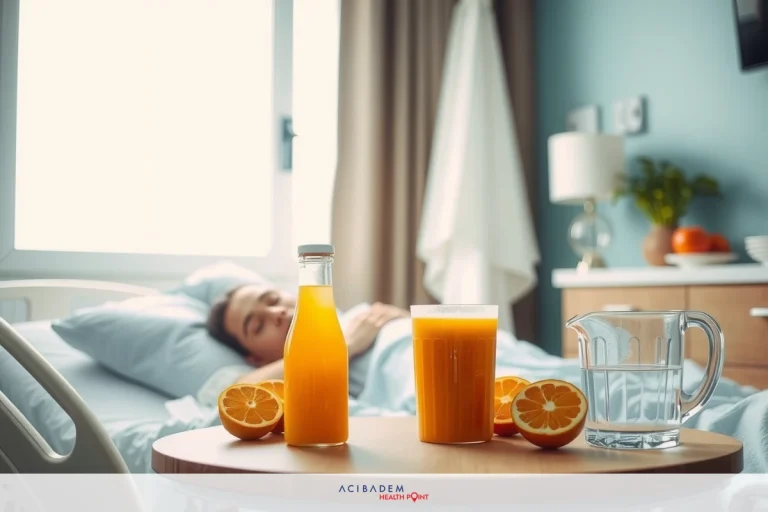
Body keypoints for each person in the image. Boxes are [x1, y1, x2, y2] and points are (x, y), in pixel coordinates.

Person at [206, 283, 409, 385]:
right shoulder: (347, 342)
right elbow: (241, 392)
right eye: (258, 326)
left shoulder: (361, 317)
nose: (277, 313)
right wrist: (344, 347)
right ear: (257, 358)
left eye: (273, 300)